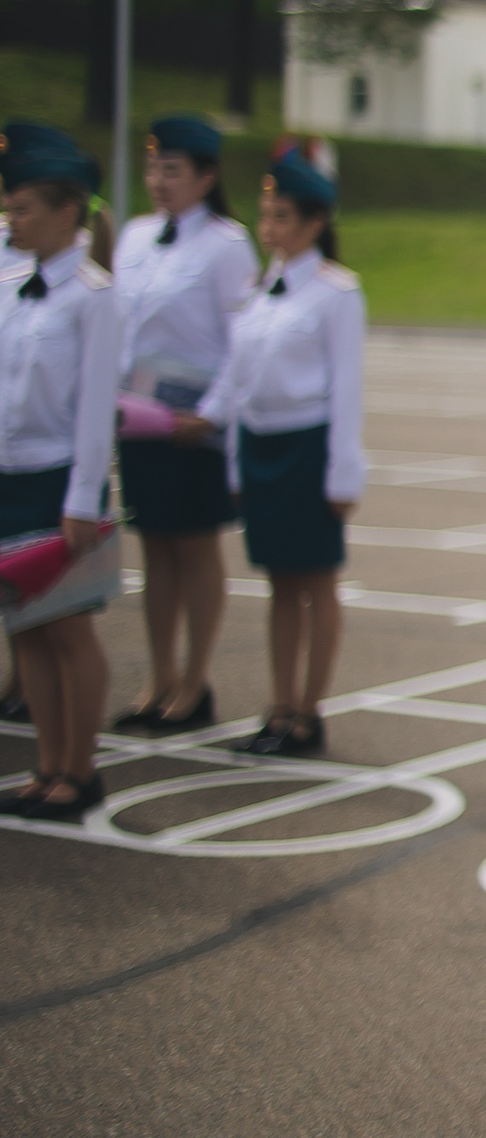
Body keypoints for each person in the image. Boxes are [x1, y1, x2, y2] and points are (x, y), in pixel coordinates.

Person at [181, 149, 364, 759]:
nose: (269, 228)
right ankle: (279, 704)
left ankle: (309, 711)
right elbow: (237, 379)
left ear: (314, 223)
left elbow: (346, 390)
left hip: (308, 448)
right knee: (281, 585)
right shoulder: (259, 289)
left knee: (316, 581)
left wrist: (343, 474)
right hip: (261, 446)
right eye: (265, 215)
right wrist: (230, 457)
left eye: (282, 216)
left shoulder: (337, 292)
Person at [111, 113, 259, 735]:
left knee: (195, 547)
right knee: (156, 548)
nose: (158, 180)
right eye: (152, 168)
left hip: (195, 419)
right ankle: (159, 677)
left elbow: (242, 339)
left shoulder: (226, 244)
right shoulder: (136, 236)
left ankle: (195, 681)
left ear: (206, 176)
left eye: (172, 170)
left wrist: (212, 414)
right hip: (140, 417)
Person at [0, 122, 121, 821]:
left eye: (22, 208)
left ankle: (81, 768)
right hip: (10, 476)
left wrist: (82, 498)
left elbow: (94, 408)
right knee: (26, 627)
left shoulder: (92, 293)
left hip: (60, 481)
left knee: (69, 628)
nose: (12, 220)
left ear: (65, 210)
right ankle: (46, 766)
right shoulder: (12, 281)